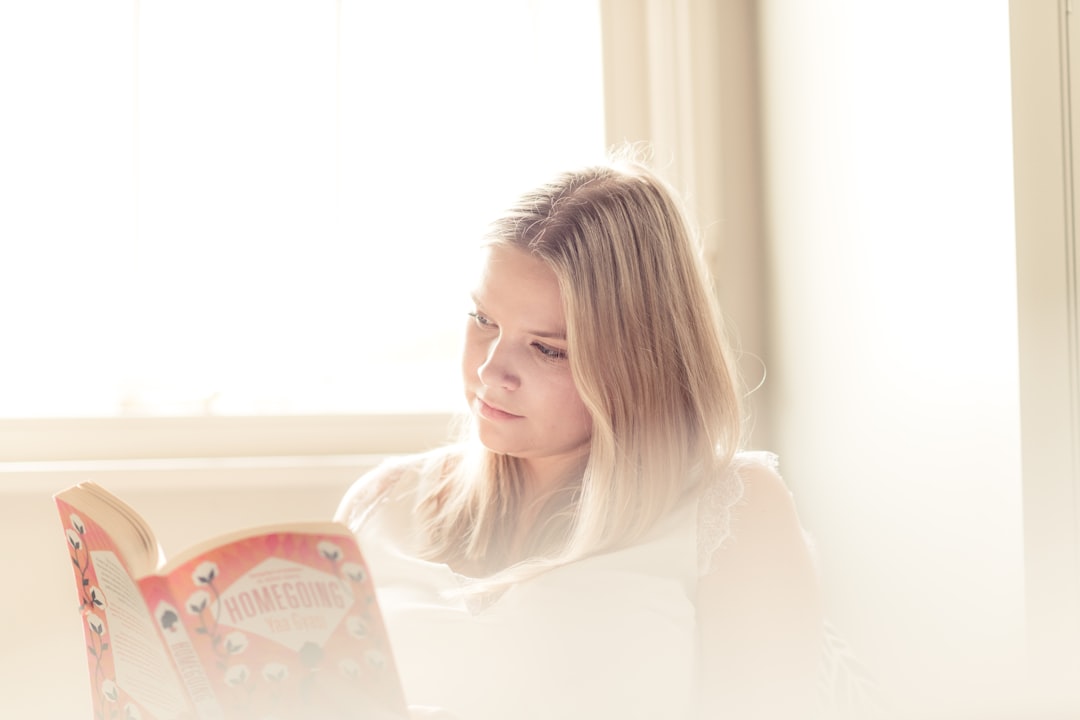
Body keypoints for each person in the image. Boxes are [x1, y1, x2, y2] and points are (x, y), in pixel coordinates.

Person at [335, 152, 824, 720]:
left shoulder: (731, 512)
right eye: (483, 320)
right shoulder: (381, 503)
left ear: (641, 361)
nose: (492, 371)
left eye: (547, 348)